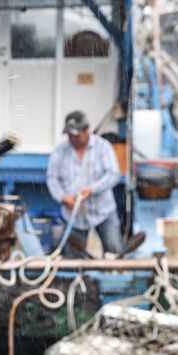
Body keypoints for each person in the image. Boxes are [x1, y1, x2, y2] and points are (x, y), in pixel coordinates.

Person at [46, 110, 123, 256]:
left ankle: (113, 276)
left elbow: (113, 174)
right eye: (69, 135)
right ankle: (79, 279)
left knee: (114, 254)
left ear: (87, 130)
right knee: (73, 260)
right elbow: (52, 178)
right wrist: (63, 197)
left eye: (76, 135)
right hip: (74, 216)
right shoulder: (59, 151)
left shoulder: (103, 147)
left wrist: (93, 189)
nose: (72, 138)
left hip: (104, 212)